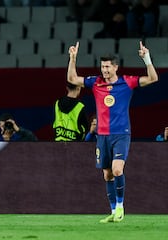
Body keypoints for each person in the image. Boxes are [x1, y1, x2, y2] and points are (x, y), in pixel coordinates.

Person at [67, 40, 158, 223]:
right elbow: (72, 79)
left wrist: (147, 58)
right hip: (102, 135)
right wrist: (73, 58)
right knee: (107, 174)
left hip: (121, 134)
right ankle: (113, 211)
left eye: (108, 67)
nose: (105, 70)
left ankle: (120, 207)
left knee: (117, 170)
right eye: (102, 67)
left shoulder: (127, 82)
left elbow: (153, 78)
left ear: (115, 67)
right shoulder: (96, 82)